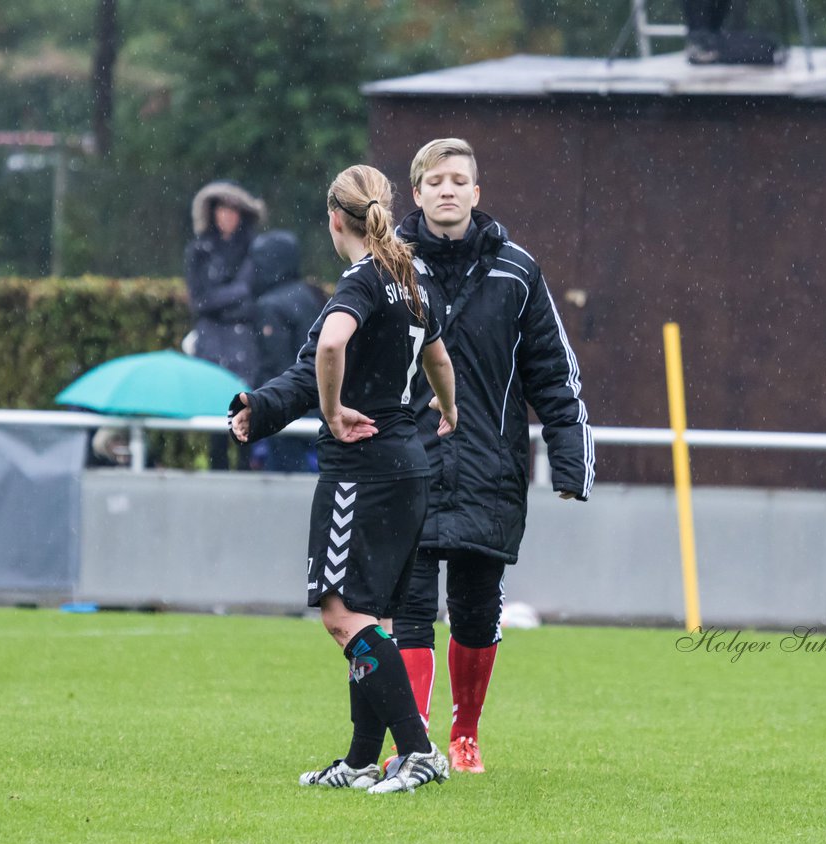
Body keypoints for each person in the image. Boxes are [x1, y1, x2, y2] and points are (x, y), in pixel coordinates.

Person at [230, 138, 594, 773]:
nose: (448, 189)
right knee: (409, 613)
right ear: (414, 193)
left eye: (460, 180)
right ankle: (403, 745)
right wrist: (267, 408)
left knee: (466, 612)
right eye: (435, 180)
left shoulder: (510, 271)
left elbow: (553, 374)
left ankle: (455, 739)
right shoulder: (400, 271)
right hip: (414, 464)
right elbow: (409, 358)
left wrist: (570, 459)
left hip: (478, 465)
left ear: (476, 194)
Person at [233, 165, 458, 793]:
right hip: (408, 464)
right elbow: (438, 356)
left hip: (361, 470)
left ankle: (416, 751)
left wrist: (332, 412)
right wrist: (449, 407)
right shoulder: (412, 279)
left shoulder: (360, 282)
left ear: (335, 220)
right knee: (367, 616)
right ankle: (362, 758)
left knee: (340, 615)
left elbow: (328, 350)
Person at [184, 180, 265, 470]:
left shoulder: (254, 250)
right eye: (221, 210)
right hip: (212, 344)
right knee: (215, 416)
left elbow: (252, 297)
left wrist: (221, 298)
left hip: (245, 345)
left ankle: (245, 471)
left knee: (245, 410)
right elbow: (200, 301)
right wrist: (236, 294)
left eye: (232, 210)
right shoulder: (199, 251)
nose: (226, 216)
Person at [249, 230, 325, 472]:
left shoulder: (269, 305)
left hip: (286, 409)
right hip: (320, 402)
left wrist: (259, 403)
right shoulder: (311, 295)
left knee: (285, 486)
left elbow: (275, 366)